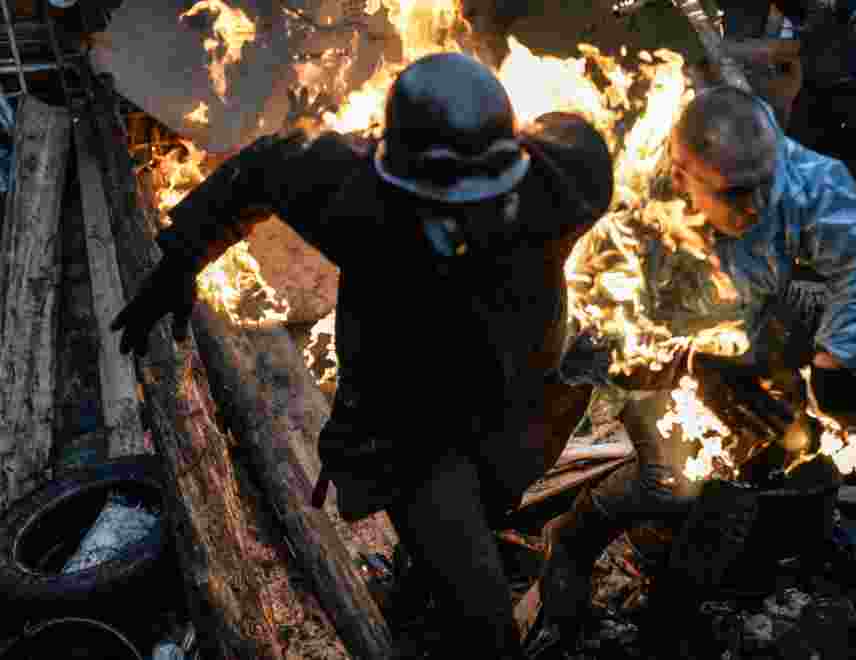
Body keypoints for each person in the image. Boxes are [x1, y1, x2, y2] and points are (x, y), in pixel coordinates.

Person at [109, 52, 614, 659]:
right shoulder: (348, 188)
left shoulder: (567, 177)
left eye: (475, 200)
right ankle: (433, 597)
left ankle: (419, 580)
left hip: (515, 399)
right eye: (435, 203)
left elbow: (580, 142)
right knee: (485, 630)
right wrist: (180, 260)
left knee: (493, 499)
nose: (456, 223)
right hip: (411, 429)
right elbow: (258, 172)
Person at [537, 85, 856, 649]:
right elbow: (579, 347)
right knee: (675, 484)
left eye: (767, 184)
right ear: (682, 170)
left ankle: (672, 615)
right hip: (651, 350)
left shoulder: (795, 173)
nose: (758, 206)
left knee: (745, 472)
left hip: (745, 325)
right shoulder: (621, 213)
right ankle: (571, 537)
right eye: (737, 193)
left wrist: (833, 363)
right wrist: (690, 362)